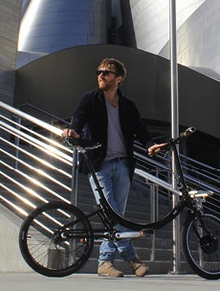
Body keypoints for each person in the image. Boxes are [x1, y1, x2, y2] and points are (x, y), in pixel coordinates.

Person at [61, 58, 167, 278]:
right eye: (99, 71)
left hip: (123, 165)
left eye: (106, 72)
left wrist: (150, 145)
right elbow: (78, 119)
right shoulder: (90, 98)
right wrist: (73, 131)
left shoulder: (128, 106)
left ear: (118, 79)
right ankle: (127, 260)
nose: (100, 75)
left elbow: (140, 130)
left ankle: (109, 262)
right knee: (113, 213)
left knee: (118, 215)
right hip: (99, 164)